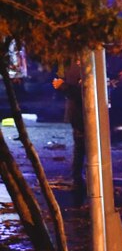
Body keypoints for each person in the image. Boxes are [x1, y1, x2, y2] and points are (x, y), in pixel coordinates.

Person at [52, 57, 86, 206]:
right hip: (78, 112)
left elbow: (82, 91)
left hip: (81, 111)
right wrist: (62, 86)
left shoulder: (80, 62)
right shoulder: (72, 61)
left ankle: (79, 178)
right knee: (80, 146)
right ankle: (78, 178)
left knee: (81, 146)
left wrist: (63, 86)